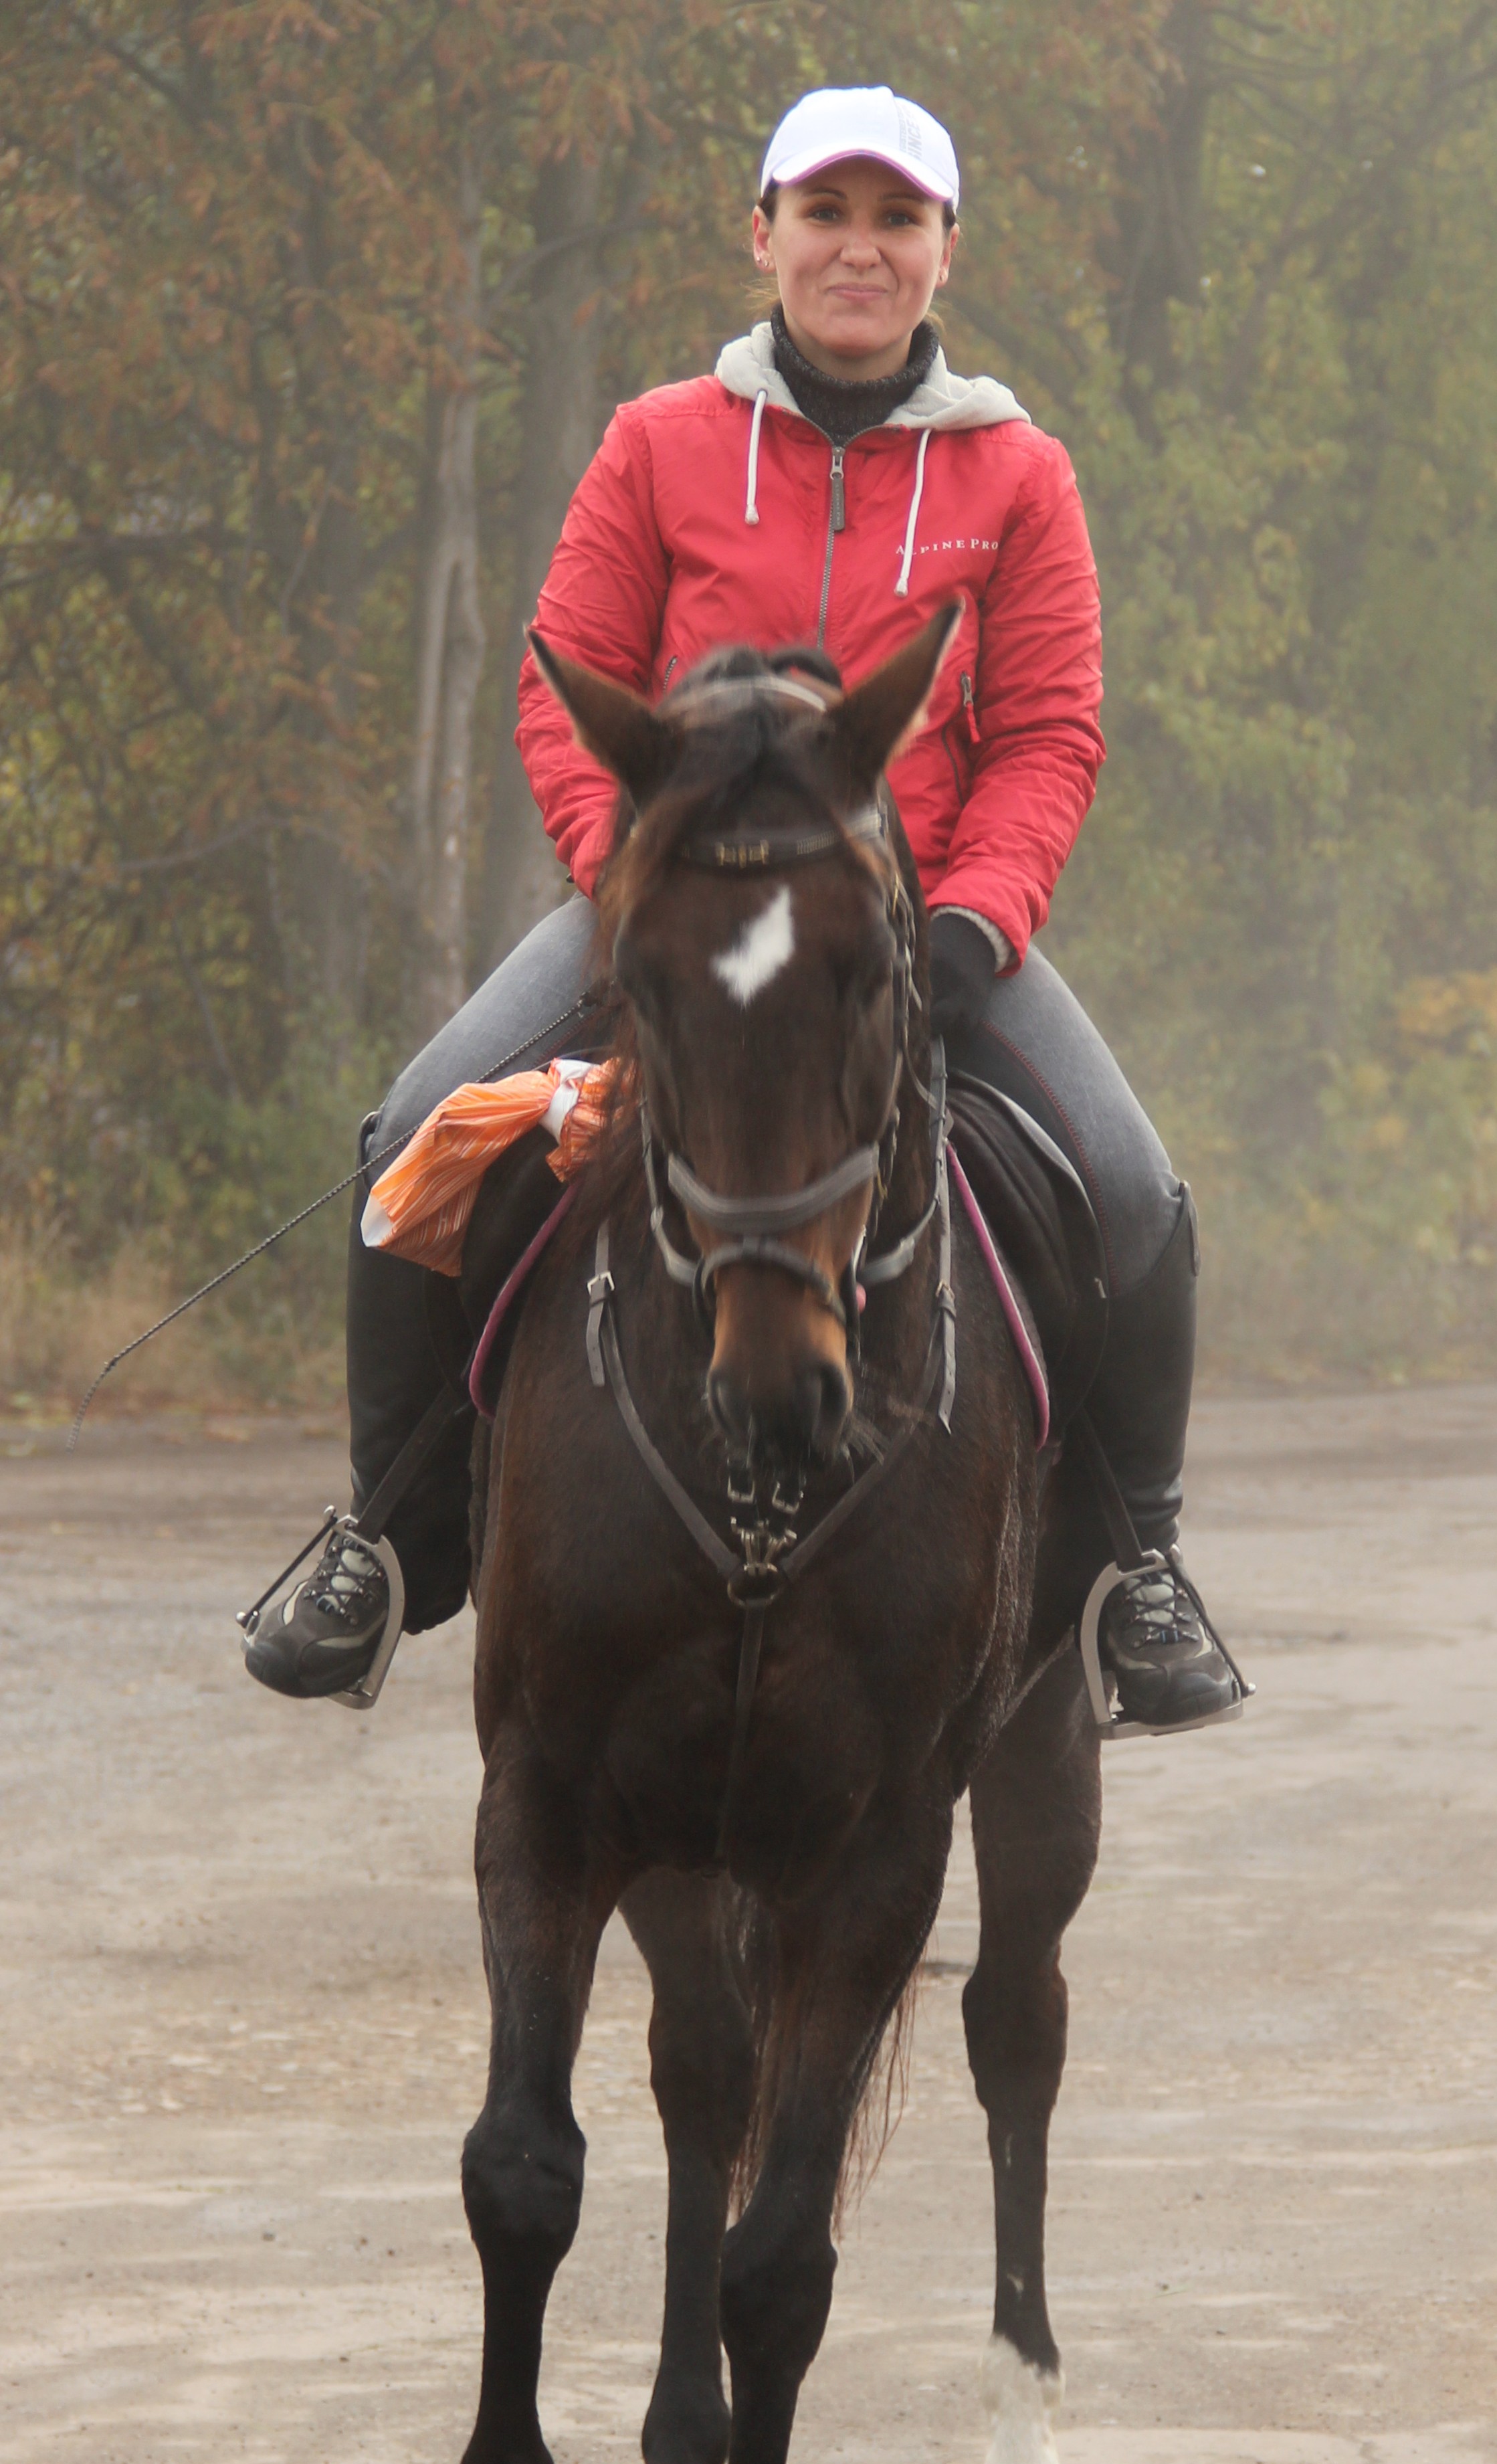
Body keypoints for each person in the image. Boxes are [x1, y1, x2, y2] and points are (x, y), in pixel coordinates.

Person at [244, 83, 1238, 1733]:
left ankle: (1142, 1567)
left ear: (943, 252)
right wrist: (631, 885)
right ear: (762, 232)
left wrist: (976, 926)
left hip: (918, 932)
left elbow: (1052, 729)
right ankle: (387, 1533)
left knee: (1137, 1198)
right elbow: (566, 686)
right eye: (827, 214)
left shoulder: (1020, 473)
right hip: (674, 909)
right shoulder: (658, 441)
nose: (860, 250)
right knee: (412, 1133)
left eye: (896, 221)